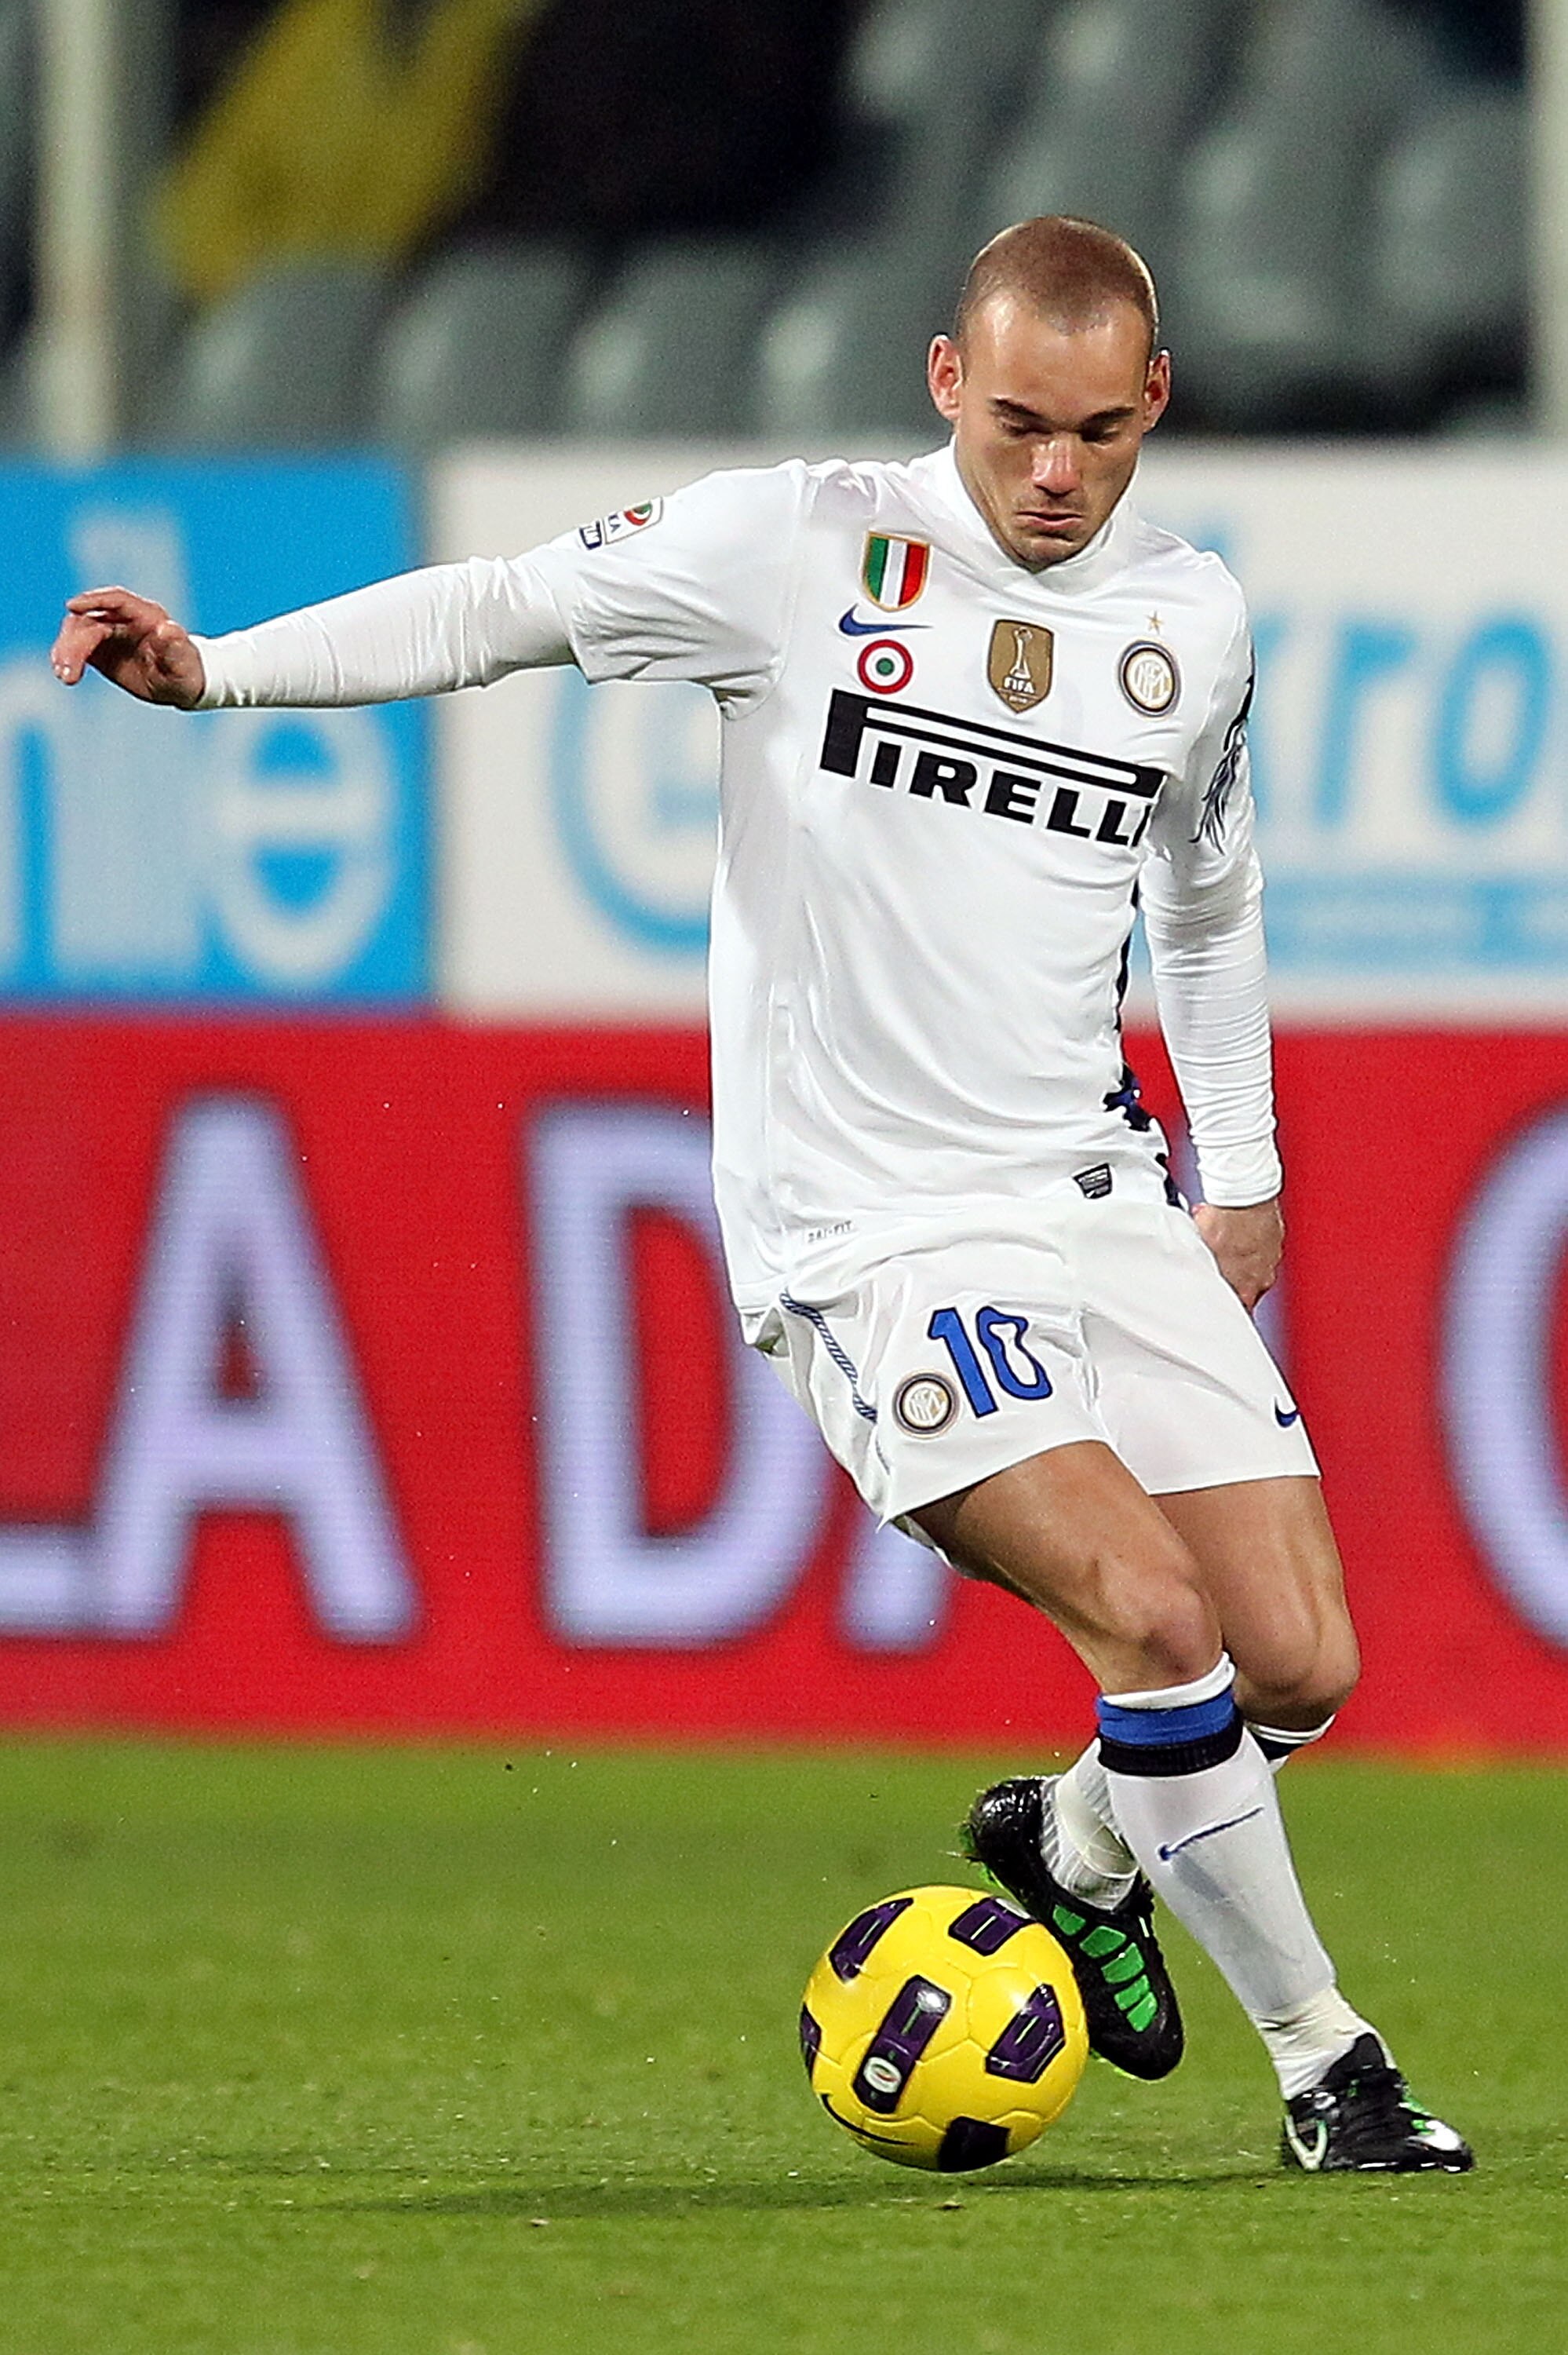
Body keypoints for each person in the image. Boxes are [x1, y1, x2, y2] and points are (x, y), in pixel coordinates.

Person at [52, 214, 1470, 2174]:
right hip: (874, 1230)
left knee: (1299, 1663)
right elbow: (498, 607)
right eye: (1021, 428)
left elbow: (1206, 903)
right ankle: (1332, 2068)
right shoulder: (793, 551)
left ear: (1160, 406)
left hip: (1094, 1190)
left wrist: (1248, 1172)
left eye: (1100, 438)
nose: (1056, 478)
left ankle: (1068, 1843)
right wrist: (211, 675)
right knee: (1150, 1619)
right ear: (948, 383)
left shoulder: (1191, 625)